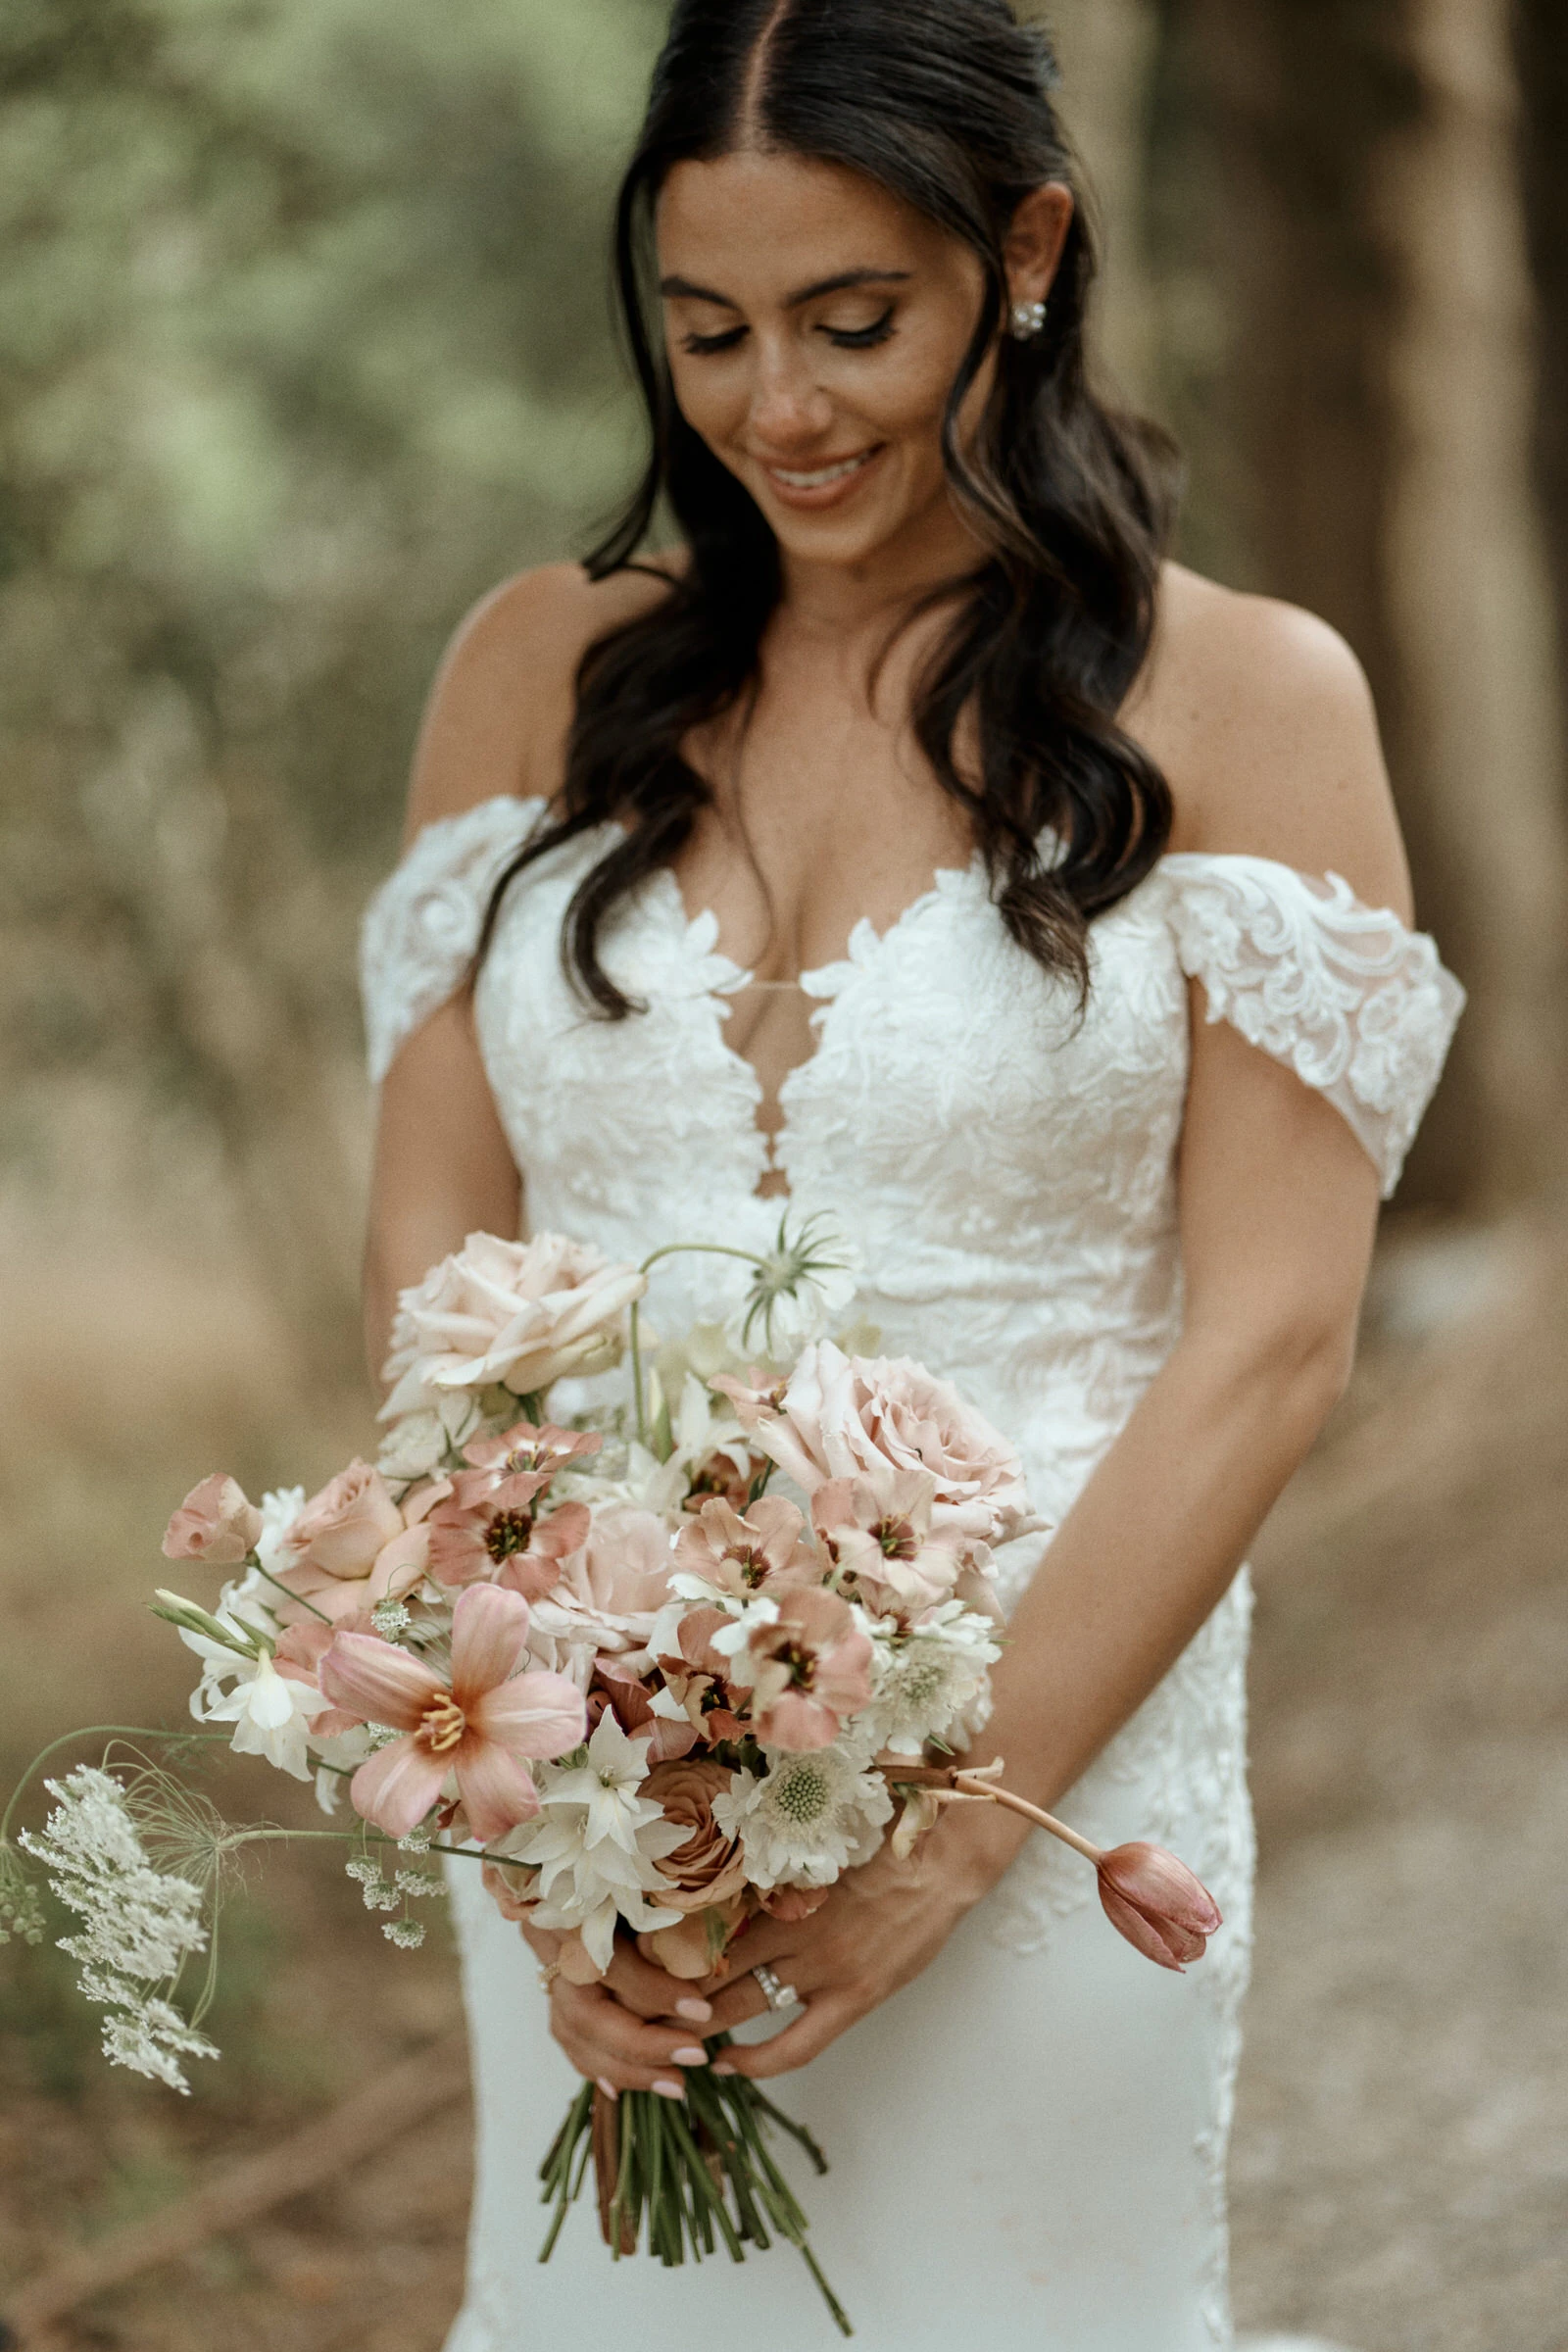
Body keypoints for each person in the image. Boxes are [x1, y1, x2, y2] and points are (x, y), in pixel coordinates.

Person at [358, 3, 1463, 2345]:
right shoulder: (534, 675)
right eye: (708, 333)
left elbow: (1272, 1337)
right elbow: (437, 1281)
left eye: (853, 321)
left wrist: (942, 1843)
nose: (778, 408)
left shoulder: (1244, 699)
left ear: (1023, 252)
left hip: (1058, 1784)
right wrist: (541, 1815)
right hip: (602, 1804)